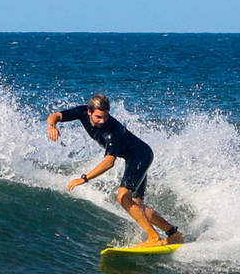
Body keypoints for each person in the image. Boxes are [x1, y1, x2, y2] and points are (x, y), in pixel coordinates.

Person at [46, 94, 184, 247]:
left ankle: (153, 238)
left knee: (123, 197)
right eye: (98, 117)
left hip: (140, 157)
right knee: (137, 206)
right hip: (135, 156)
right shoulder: (82, 112)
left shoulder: (111, 131)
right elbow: (56, 115)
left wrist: (84, 178)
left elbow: (109, 162)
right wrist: (52, 126)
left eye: (105, 117)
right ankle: (173, 233)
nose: (102, 121)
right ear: (89, 112)